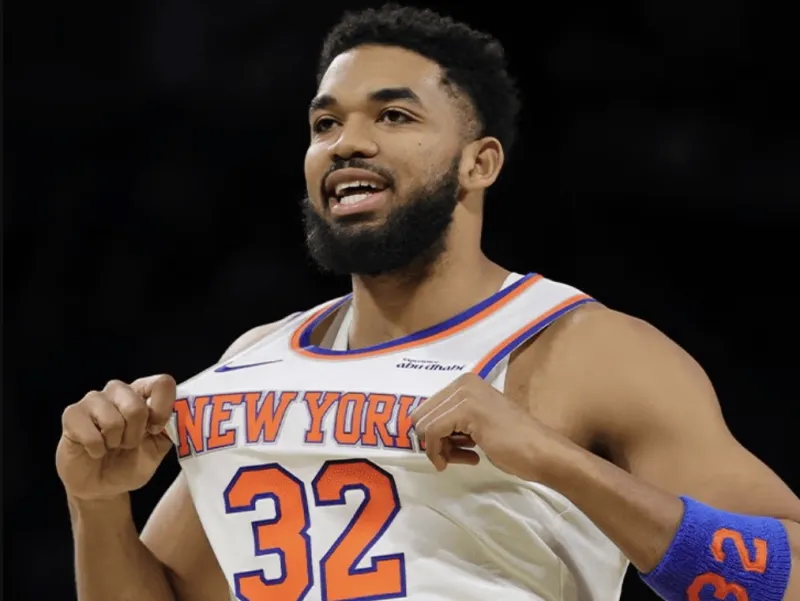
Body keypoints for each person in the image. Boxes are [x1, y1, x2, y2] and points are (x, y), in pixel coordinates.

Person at [56, 4, 799, 601]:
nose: (347, 142)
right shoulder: (252, 363)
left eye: (394, 116)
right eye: (326, 123)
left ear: (480, 163)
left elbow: (787, 576)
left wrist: (557, 461)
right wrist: (97, 505)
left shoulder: (583, 349)